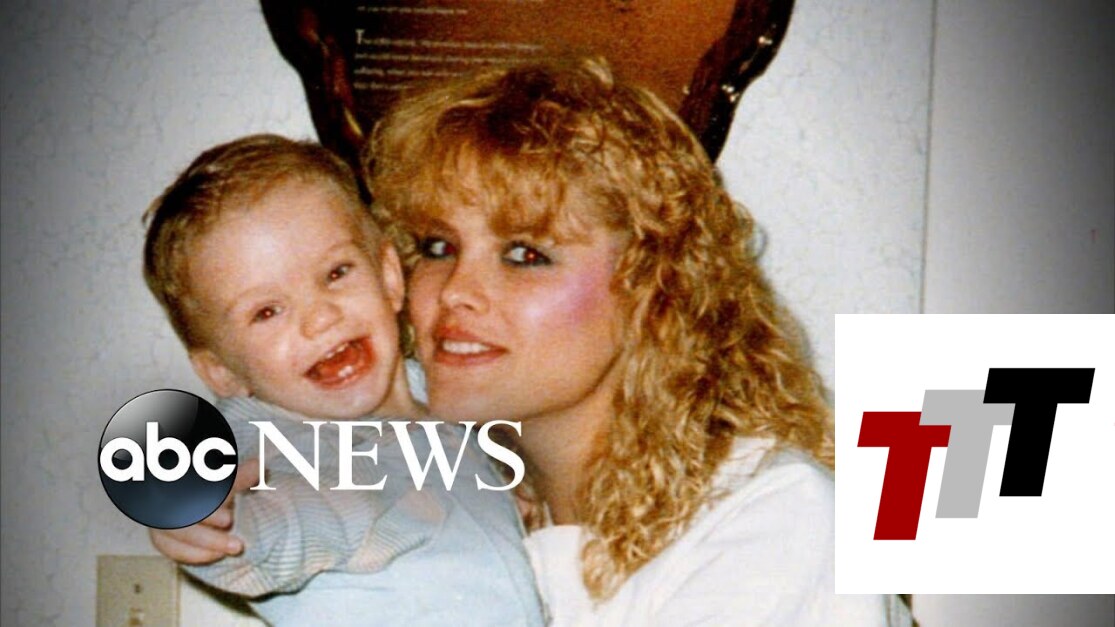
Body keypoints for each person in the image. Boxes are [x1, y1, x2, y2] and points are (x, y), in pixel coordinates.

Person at [364, 58, 913, 625]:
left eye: (525, 254)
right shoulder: (464, 503)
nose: (455, 291)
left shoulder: (770, 519)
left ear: (652, 289)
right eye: (436, 247)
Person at [141, 134, 545, 626]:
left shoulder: (449, 408)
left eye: (335, 273)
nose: (320, 317)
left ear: (389, 277)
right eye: (267, 311)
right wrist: (218, 530)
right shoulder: (297, 458)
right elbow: (294, 524)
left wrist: (507, 494)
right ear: (222, 371)